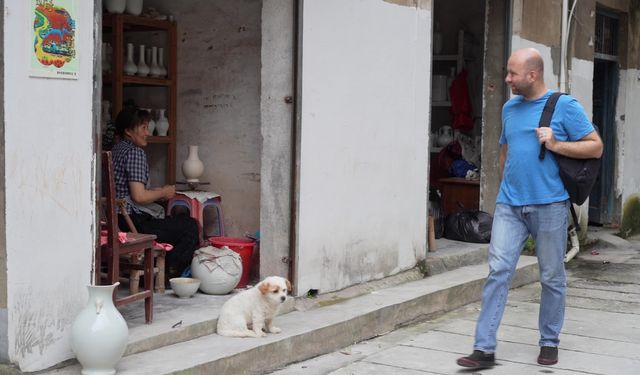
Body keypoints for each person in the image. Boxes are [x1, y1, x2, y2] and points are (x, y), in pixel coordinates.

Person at [456, 48, 603, 370]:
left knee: (552, 276)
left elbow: (595, 146)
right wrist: (503, 193)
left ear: (532, 75)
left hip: (549, 205)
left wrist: (556, 144)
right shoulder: (509, 108)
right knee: (498, 272)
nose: (506, 79)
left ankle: (549, 342)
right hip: (510, 205)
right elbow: (506, 153)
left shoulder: (564, 106)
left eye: (512, 73)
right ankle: (484, 348)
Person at [111, 107, 200, 284]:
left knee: (169, 219)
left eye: (147, 127)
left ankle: (153, 272)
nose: (147, 133)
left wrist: (157, 193)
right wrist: (164, 192)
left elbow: (130, 191)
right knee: (190, 226)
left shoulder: (116, 150)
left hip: (118, 219)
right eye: (143, 128)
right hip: (132, 222)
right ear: (128, 131)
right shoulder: (134, 152)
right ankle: (168, 275)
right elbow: (139, 197)